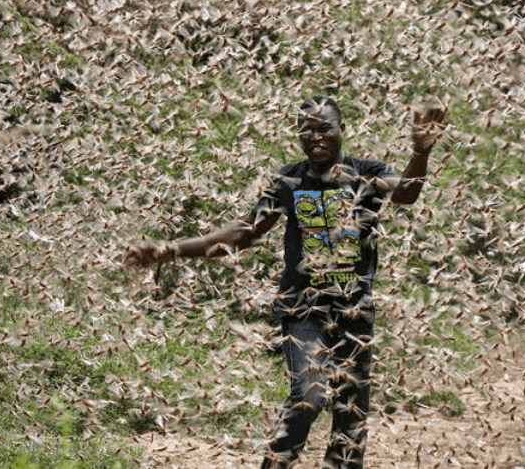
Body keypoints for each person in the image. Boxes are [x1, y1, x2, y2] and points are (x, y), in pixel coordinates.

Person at [126, 95, 448, 469]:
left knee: (350, 418)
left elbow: (406, 192)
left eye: (325, 128)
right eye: (307, 129)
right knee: (309, 395)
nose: (316, 136)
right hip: (303, 310)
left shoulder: (366, 173)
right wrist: (171, 249)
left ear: (342, 130)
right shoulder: (288, 180)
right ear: (297, 134)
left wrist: (421, 151)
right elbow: (242, 233)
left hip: (354, 311)